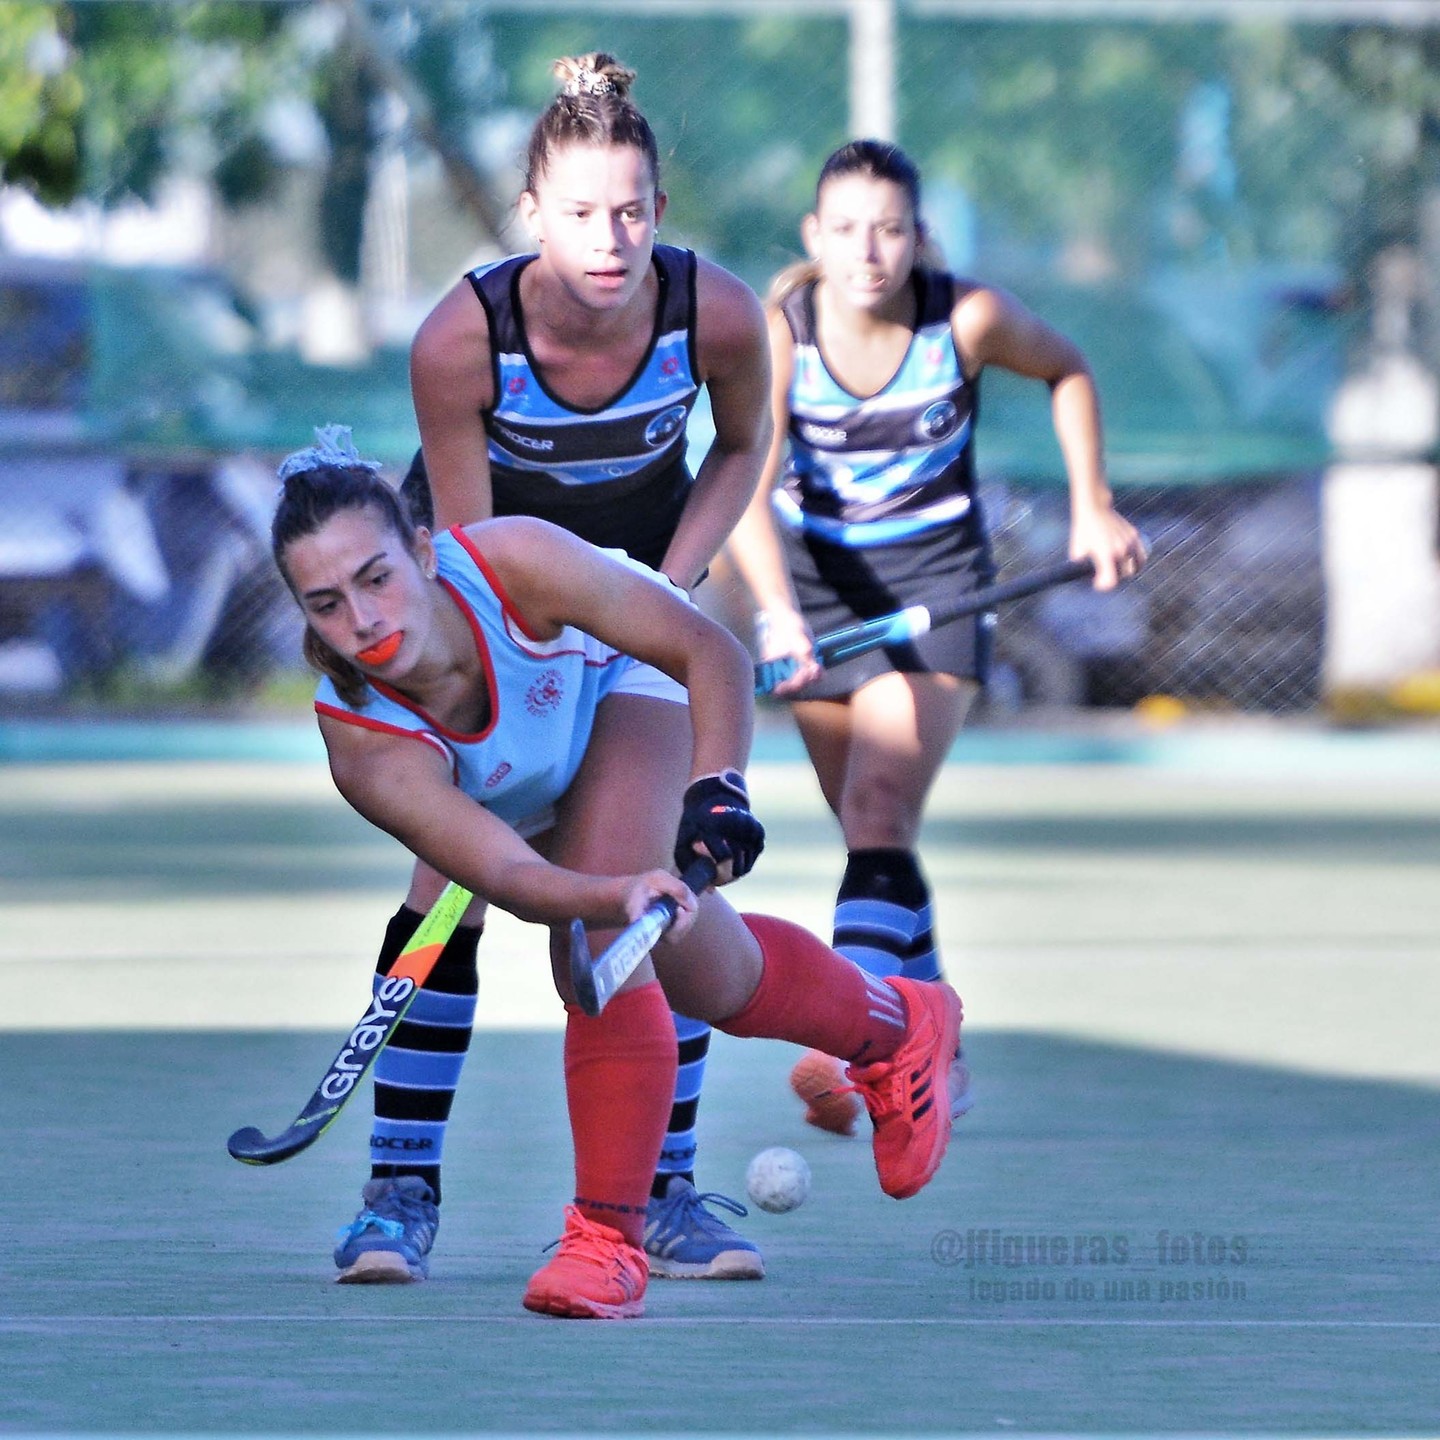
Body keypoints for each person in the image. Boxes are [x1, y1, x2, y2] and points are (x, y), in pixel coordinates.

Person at [268, 429, 966, 1320]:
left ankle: (607, 1243)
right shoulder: (363, 738)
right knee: (716, 975)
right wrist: (618, 893)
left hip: (628, 686)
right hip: (530, 779)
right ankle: (897, 1023)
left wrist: (718, 788)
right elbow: (510, 875)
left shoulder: (518, 562)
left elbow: (709, 653)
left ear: (423, 548)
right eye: (326, 603)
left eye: (377, 578)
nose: (363, 621)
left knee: (596, 958)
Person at [347, 53, 778, 1283]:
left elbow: (743, 446)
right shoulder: (461, 341)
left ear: (660, 209)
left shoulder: (718, 313)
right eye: (583, 213)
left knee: (646, 893)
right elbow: (474, 553)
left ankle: (666, 1192)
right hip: (492, 620)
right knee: (452, 881)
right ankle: (398, 1192)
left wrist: (670, 588)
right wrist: (537, 662)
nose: (612, 237)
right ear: (531, 213)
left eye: (634, 210)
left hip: (637, 618)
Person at [725, 140, 1147, 1134]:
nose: (869, 251)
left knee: (877, 809)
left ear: (917, 237)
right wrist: (778, 610)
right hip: (820, 597)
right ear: (813, 238)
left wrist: (1092, 504)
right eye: (847, 229)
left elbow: (1069, 369)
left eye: (890, 229)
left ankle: (854, 1039)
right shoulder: (782, 333)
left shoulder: (968, 318)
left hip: (939, 590)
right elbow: (745, 483)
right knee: (877, 834)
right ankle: (934, 1025)